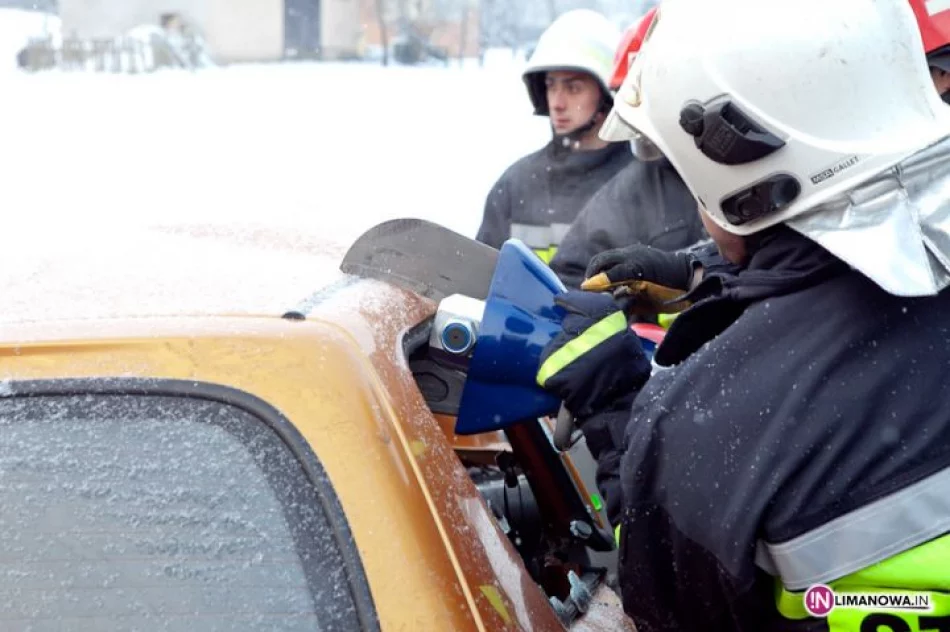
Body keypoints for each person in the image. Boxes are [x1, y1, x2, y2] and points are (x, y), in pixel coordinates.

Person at [533, 0, 950, 630]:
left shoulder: (711, 427)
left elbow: (661, 599)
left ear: (738, 179)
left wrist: (615, 407)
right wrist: (711, 276)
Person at [548, 8, 706, 291]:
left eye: (653, 101)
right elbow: (569, 284)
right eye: (633, 102)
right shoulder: (631, 191)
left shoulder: (772, 180)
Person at [475, 9, 632, 263]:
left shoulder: (644, 186)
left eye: (573, 88)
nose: (557, 103)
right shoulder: (515, 185)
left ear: (607, 95)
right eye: (550, 85)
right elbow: (479, 278)